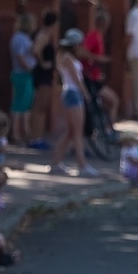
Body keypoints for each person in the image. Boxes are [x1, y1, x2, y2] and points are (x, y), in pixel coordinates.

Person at [47, 29, 98, 176]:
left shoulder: (64, 56)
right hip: (73, 93)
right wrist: (86, 93)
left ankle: (56, 162)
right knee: (77, 132)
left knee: (70, 131)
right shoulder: (68, 58)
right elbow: (76, 78)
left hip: (69, 93)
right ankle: (82, 165)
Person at [79, 5, 121, 122]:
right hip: (91, 77)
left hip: (96, 77)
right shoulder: (94, 36)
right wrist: (99, 58)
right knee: (114, 100)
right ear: (105, 24)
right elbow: (82, 52)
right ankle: (109, 131)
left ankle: (104, 128)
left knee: (105, 103)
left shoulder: (99, 37)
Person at [28, 11, 58, 148]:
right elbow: (35, 49)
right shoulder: (44, 35)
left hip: (44, 75)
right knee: (40, 107)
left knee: (40, 107)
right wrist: (42, 63)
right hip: (43, 75)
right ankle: (35, 138)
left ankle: (36, 137)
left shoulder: (45, 34)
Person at [9, 14, 36, 145]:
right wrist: (28, 67)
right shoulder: (19, 38)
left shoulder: (25, 38)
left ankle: (25, 131)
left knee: (26, 104)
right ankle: (15, 133)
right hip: (21, 73)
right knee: (18, 104)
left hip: (26, 75)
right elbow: (20, 55)